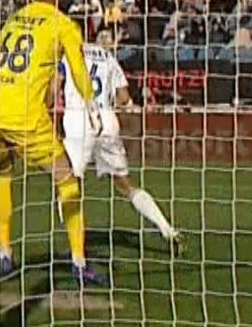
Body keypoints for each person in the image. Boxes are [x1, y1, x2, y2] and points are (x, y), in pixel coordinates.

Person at [0, 0, 107, 287]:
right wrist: (91, 103)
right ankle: (79, 263)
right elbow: (78, 68)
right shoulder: (62, 24)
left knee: (2, 173)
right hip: (24, 117)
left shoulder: (14, 20)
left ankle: (5, 252)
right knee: (67, 181)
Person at [60, 30, 181, 253]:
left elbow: (55, 83)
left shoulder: (69, 52)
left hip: (79, 117)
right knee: (126, 184)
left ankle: (76, 249)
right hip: (106, 119)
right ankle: (166, 228)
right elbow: (123, 98)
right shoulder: (109, 57)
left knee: (68, 183)